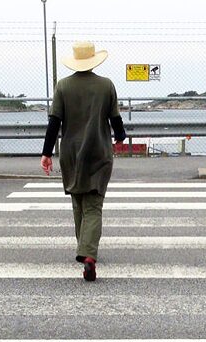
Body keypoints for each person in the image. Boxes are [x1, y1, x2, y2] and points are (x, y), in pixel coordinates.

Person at [41, 41, 126, 282]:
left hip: (70, 153)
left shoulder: (63, 86)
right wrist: (120, 137)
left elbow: (54, 123)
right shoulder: (106, 85)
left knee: (78, 202)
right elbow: (116, 121)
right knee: (94, 205)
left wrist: (46, 153)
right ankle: (88, 254)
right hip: (98, 152)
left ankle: (84, 248)